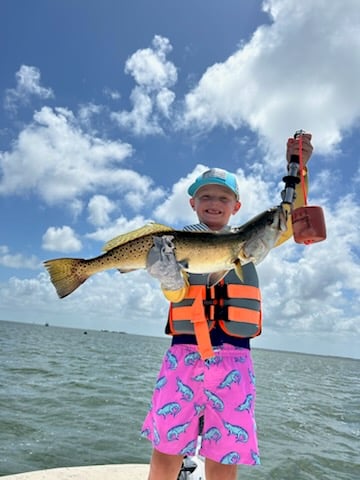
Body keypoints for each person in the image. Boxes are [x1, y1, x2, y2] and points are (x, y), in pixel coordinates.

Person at [141, 134, 313, 480]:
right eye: (206, 196)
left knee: (224, 454)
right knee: (166, 449)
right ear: (193, 203)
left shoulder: (253, 239)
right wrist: (169, 279)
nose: (214, 203)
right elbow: (176, 298)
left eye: (223, 197)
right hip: (183, 355)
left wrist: (300, 169)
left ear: (236, 206)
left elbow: (289, 216)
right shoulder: (176, 242)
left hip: (234, 356)